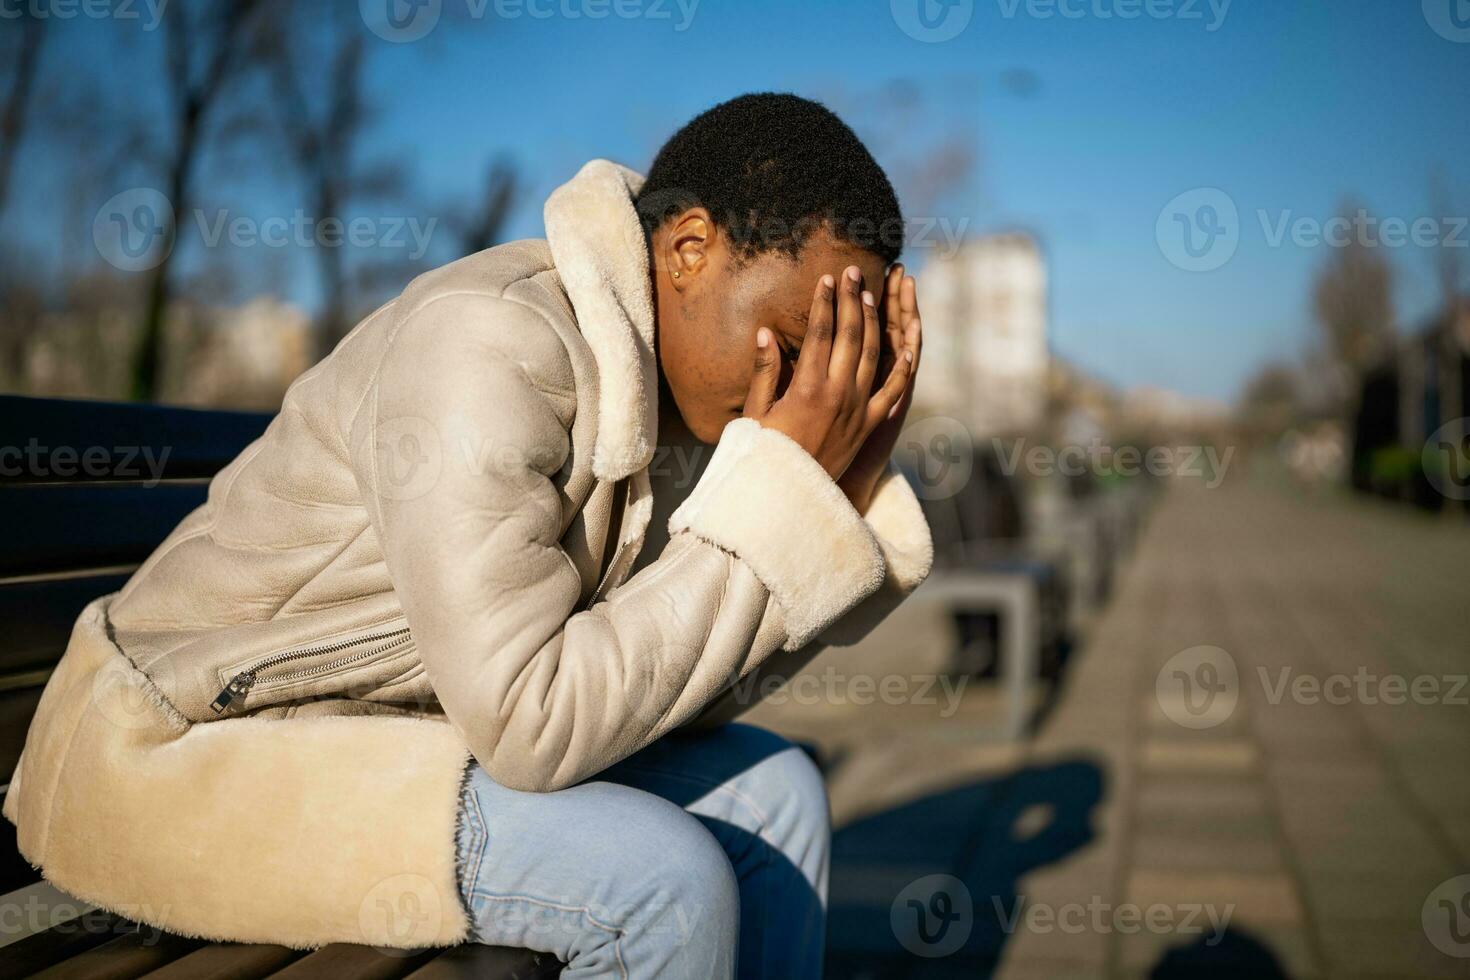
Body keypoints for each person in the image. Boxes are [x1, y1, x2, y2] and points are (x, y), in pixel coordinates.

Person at [5, 93, 932, 978]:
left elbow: (668, 695)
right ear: (689, 249)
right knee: (660, 880)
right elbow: (536, 727)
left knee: (779, 793)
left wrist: (821, 501)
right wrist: (778, 501)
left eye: (848, 358)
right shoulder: (491, 341)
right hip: (181, 761)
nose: (821, 390)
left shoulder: (682, 403)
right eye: (802, 340)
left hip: (385, 735)